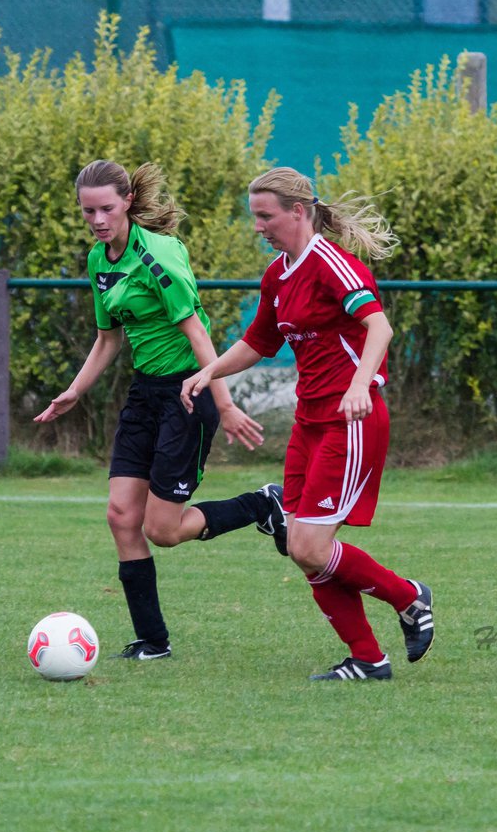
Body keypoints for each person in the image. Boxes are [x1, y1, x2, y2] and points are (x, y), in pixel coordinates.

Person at [180, 166, 434, 681]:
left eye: (265, 216)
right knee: (302, 550)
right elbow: (258, 342)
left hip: (350, 420)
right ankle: (368, 659)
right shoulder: (278, 273)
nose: (258, 226)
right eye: (255, 216)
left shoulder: (330, 264)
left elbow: (379, 327)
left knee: (309, 546)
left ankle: (409, 597)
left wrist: (361, 384)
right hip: (309, 423)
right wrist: (209, 371)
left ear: (298, 212)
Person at [34, 159, 287, 660]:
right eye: (88, 211)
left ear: (127, 201)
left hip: (187, 394)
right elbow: (108, 338)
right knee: (120, 515)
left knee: (163, 530)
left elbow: (198, 335)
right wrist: (75, 391)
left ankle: (264, 504)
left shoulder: (159, 256)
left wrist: (225, 403)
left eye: (106, 208)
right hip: (145, 394)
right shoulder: (99, 260)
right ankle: (153, 640)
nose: (98, 219)